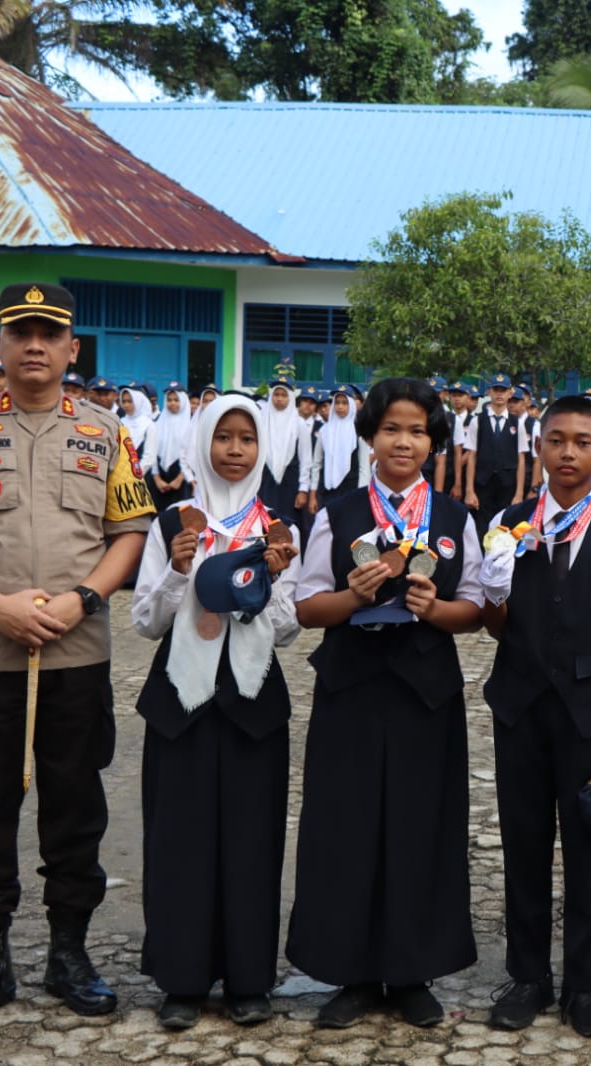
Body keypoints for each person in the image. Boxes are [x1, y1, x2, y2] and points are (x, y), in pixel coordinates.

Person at [0, 283, 154, 1033]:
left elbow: (130, 534)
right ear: (0, 345)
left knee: (75, 811)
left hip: (76, 657)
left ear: (73, 348)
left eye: (50, 334)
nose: (36, 346)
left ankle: (68, 955)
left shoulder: (106, 432)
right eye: (22, 333)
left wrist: (84, 598)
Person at [286, 378, 483, 1029]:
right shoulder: (338, 514)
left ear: (433, 441)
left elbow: (475, 609)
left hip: (426, 695)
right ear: (369, 436)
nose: (404, 442)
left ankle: (412, 972)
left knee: (421, 826)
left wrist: (436, 609)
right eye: (392, 429)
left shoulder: (453, 519)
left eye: (417, 431)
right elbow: (307, 607)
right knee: (346, 826)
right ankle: (353, 972)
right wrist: (354, 597)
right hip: (352, 689)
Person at [477, 394, 591, 1038]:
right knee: (523, 843)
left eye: (583, 442)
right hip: (522, 707)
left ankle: (585, 984)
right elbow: (495, 623)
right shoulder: (508, 522)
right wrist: (494, 590)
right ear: (538, 447)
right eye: (556, 440)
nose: (568, 453)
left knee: (589, 850)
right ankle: (528, 976)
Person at [130, 393, 301, 1030]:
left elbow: (288, 632)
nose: (234, 450)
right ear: (202, 442)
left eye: (246, 438)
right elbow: (145, 621)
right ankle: (182, 979)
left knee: (252, 841)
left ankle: (248, 979)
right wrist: (178, 571)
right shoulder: (173, 521)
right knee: (180, 839)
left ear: (262, 447)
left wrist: (274, 583)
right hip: (181, 704)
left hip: (254, 705)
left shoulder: (277, 528)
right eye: (223, 437)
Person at [466, 373, 527, 521]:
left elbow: (521, 459)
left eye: (503, 390)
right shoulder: (477, 421)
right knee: (482, 525)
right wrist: (469, 490)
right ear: (489, 392)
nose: (499, 394)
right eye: (496, 390)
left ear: (510, 393)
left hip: (508, 485)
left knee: (505, 526)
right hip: (483, 483)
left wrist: (519, 493)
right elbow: (472, 456)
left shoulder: (517, 423)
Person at [255, 378, 305, 527]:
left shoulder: (299, 423)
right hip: (265, 482)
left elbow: (306, 459)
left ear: (290, 398)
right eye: (276, 394)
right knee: (263, 524)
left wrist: (303, 489)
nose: (279, 399)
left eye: (284, 395)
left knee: (288, 526)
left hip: (290, 484)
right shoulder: (261, 420)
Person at [148, 384, 193, 513]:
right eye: (169, 400)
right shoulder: (158, 423)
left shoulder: (191, 426)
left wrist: (179, 479)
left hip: (182, 480)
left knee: (180, 517)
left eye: (176, 400)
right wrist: (157, 479)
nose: (172, 403)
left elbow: (192, 456)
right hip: (159, 479)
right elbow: (152, 451)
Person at [315, 385, 361, 506]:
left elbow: (363, 468)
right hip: (327, 490)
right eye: (337, 403)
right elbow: (317, 463)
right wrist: (313, 493)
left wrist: (362, 494)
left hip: (352, 489)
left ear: (351, 405)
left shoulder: (359, 430)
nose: (340, 406)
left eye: (344, 403)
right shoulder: (325, 430)